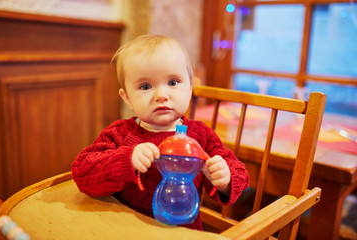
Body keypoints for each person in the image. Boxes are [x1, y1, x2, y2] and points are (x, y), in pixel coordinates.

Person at [72, 34, 249, 230]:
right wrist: (126, 160)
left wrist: (225, 178)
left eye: (173, 82)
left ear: (190, 87)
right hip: (125, 230)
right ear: (127, 98)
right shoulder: (118, 135)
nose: (161, 95)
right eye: (145, 86)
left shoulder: (202, 136)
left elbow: (240, 174)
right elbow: (82, 172)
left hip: (183, 232)